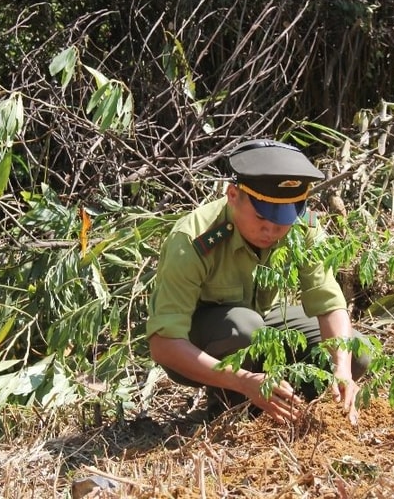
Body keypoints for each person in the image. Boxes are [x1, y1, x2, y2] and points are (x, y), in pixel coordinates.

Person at [146, 139, 368, 424]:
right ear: (233, 195)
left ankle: (292, 404)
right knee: (245, 327)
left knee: (355, 352)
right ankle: (232, 407)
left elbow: (328, 303)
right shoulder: (193, 239)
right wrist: (243, 381)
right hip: (204, 339)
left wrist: (342, 370)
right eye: (262, 216)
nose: (272, 229)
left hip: (264, 323)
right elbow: (163, 344)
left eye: (284, 218)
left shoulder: (303, 227)